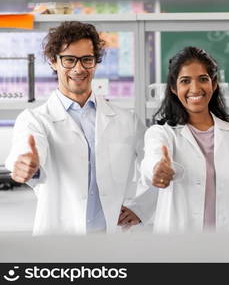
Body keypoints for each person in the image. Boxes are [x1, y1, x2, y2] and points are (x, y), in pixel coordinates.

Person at [5, 21, 148, 235]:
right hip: (59, 241)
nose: (79, 69)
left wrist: (142, 207)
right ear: (54, 62)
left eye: (86, 60)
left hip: (111, 239)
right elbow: (25, 151)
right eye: (69, 60)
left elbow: (157, 164)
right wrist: (25, 164)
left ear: (95, 62)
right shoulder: (35, 119)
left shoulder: (126, 119)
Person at [139, 46, 229, 232]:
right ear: (174, 88)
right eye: (185, 81)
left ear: (213, 84)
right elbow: (152, 160)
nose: (195, 88)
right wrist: (157, 169)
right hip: (179, 251)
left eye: (203, 79)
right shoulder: (162, 134)